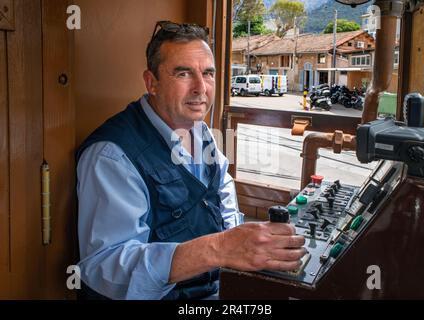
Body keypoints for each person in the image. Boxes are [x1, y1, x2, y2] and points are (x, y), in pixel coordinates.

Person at [76, 20, 306, 300]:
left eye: (208, 73)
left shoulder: (202, 131)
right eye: (183, 73)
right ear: (152, 83)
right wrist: (220, 248)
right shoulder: (112, 155)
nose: (201, 88)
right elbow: (105, 269)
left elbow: (223, 195)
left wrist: (247, 248)